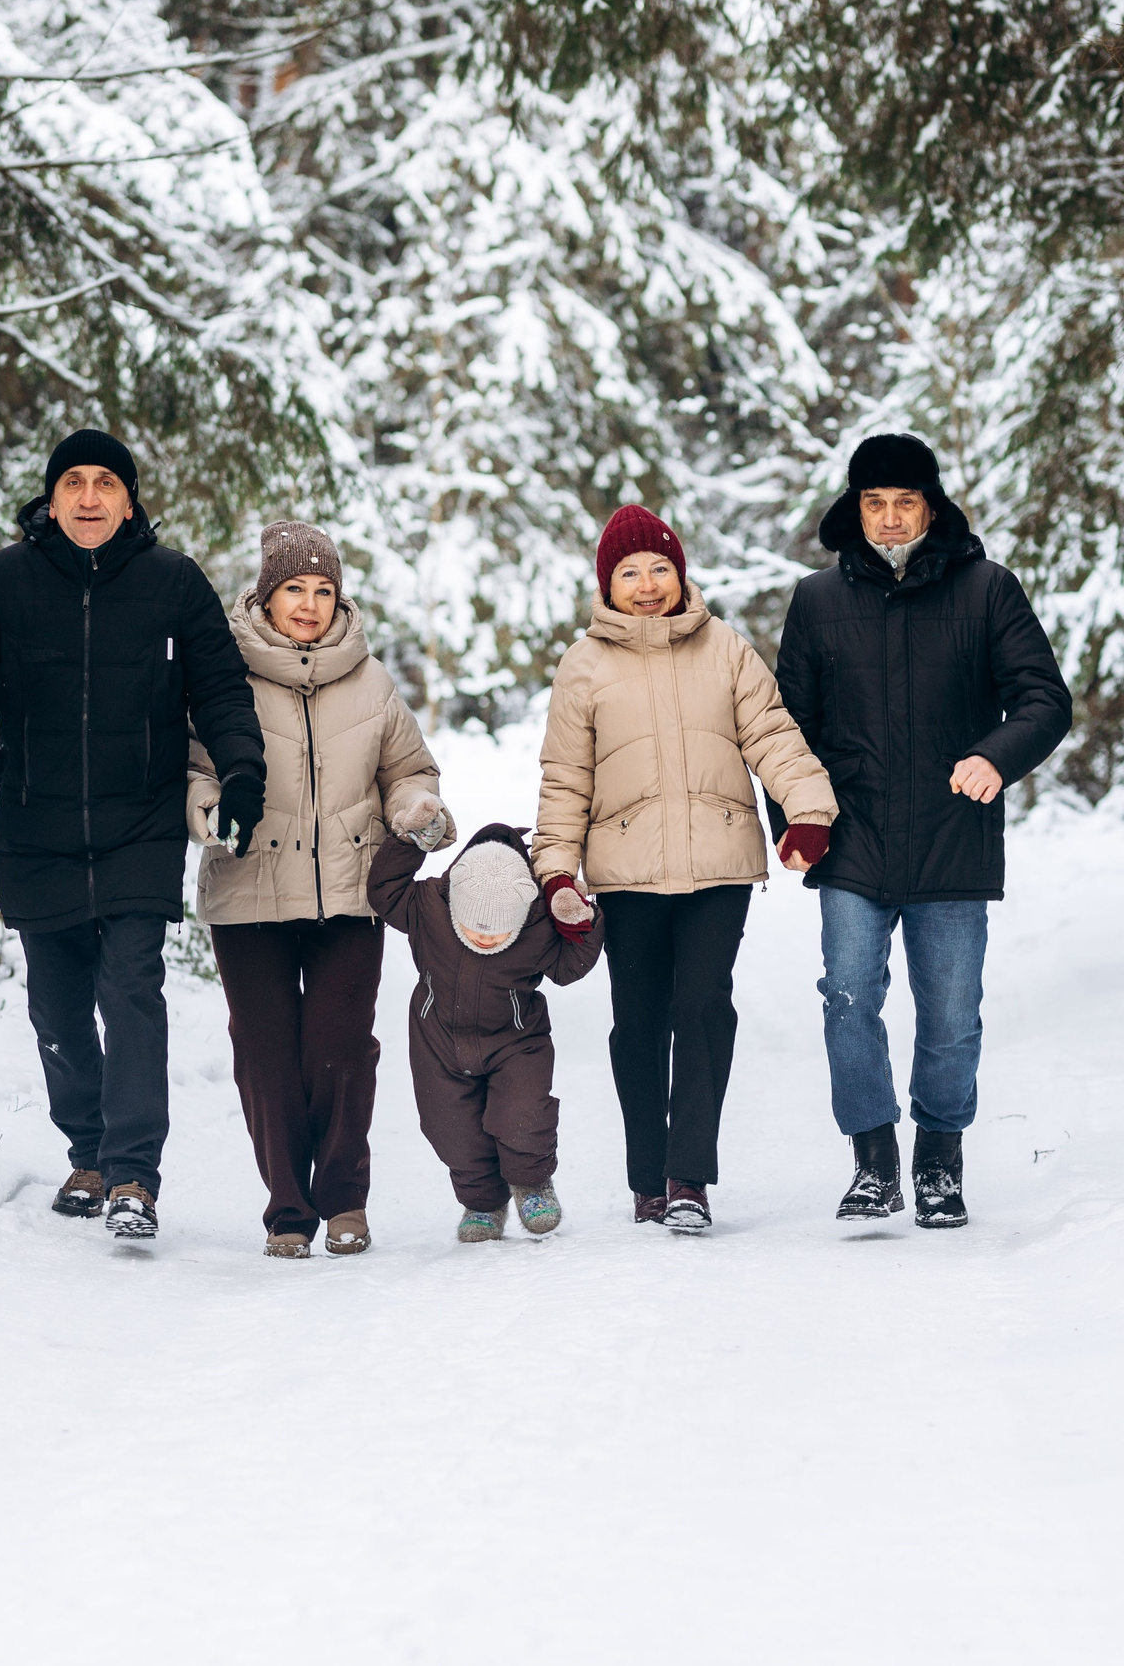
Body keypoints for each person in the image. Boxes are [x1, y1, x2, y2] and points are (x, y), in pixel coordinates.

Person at [0, 430, 267, 1240]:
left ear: (130, 499)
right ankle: (88, 1147)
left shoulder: (174, 583)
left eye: (104, 483)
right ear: (50, 499)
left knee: (132, 990)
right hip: (36, 825)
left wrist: (243, 771)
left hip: (139, 825)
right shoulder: (5, 582)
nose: (87, 497)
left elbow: (220, 691)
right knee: (59, 1007)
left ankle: (133, 1176)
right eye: (72, 482)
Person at [775, 432, 1072, 1228]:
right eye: (876, 503)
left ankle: (940, 1159)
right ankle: (874, 1162)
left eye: (906, 502)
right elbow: (785, 726)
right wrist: (794, 816)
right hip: (853, 838)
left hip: (952, 836)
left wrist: (995, 756)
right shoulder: (817, 602)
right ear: (856, 509)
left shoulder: (987, 591)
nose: (891, 518)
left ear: (931, 507)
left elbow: (1045, 700)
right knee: (847, 999)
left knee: (949, 1013)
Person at [534, 505, 838, 1231]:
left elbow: (772, 734)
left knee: (703, 1008)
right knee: (638, 1023)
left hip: (717, 865)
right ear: (608, 584)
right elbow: (564, 776)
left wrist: (808, 809)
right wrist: (556, 870)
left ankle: (688, 1179)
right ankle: (647, 1176)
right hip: (627, 873)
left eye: (659, 569)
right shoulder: (584, 666)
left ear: (680, 573)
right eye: (629, 573)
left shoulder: (726, 649)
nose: (646, 585)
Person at [186, 520, 453, 1259]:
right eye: (294, 589)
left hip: (348, 892)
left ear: (340, 597)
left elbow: (409, 770)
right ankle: (287, 1207)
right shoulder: (223, 672)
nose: (309, 604)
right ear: (267, 596)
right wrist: (208, 813)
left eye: (323, 590)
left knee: (339, 1048)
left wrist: (417, 811)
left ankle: (344, 1198)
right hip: (250, 892)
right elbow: (196, 767)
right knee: (265, 1052)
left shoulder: (369, 680)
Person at [367, 824, 605, 1243]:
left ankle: (532, 1185)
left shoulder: (536, 923)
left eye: (497, 930)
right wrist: (409, 841)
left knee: (523, 1116)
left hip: (516, 1041)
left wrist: (583, 919)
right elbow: (384, 890)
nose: (483, 937)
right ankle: (481, 1202)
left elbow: (568, 968)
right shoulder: (429, 906)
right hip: (437, 1039)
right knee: (448, 1127)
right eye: (475, 925)